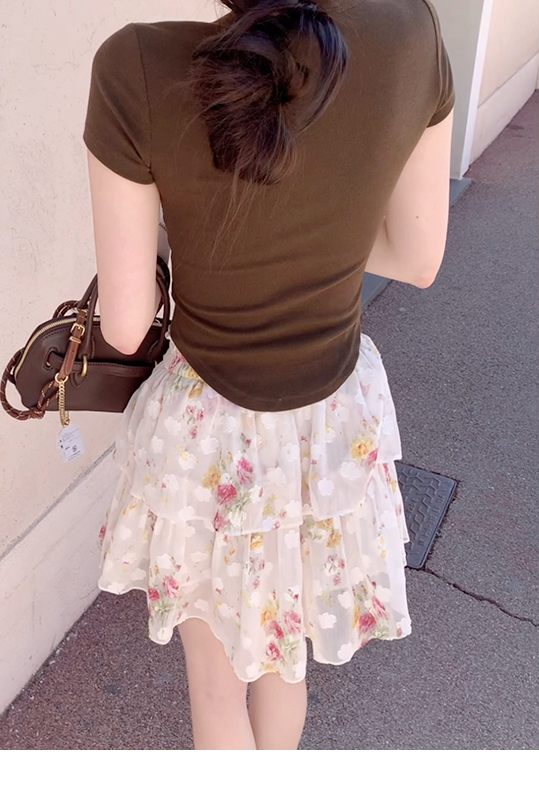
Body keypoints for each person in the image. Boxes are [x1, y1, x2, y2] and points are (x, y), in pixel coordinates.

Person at [83, 0, 455, 750]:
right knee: (285, 661)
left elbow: (125, 326)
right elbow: (418, 260)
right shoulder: (411, 31)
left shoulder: (137, 66)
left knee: (217, 689)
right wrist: (321, 240)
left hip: (208, 432)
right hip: (331, 425)